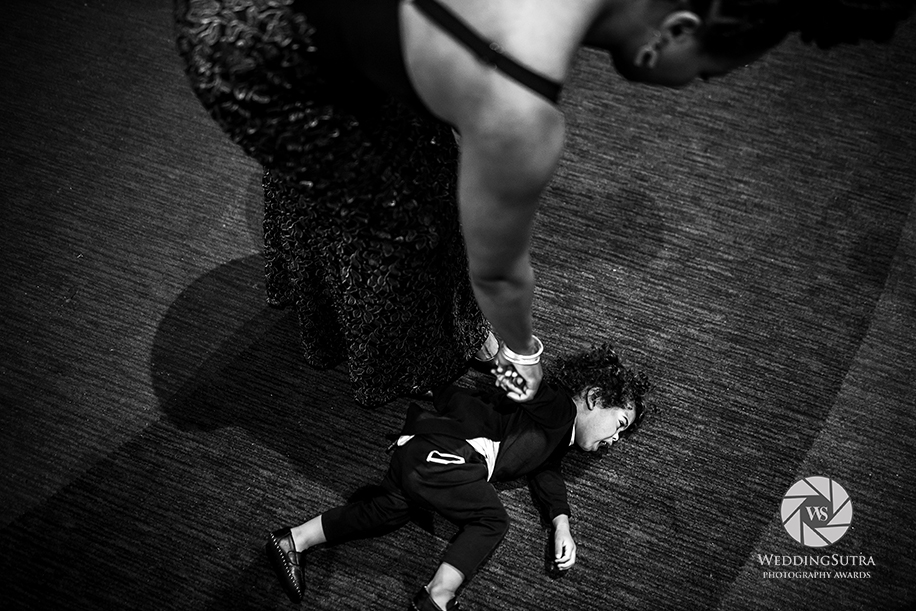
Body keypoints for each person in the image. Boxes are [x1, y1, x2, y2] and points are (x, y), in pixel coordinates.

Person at [174, 0, 914, 407]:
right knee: (402, 218)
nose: (694, 86)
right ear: (677, 30)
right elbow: (499, 275)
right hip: (248, 44)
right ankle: (365, 341)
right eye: (705, 74)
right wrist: (521, 352)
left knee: (426, 142)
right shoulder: (519, 111)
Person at [264, 343, 651, 610]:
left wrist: (560, 522)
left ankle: (293, 539)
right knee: (491, 520)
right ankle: (437, 596)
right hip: (448, 452)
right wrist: (513, 357)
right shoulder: (558, 410)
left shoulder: (557, 439)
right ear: (594, 398)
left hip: (428, 458)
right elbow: (525, 388)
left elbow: (547, 473)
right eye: (618, 424)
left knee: (386, 512)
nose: (614, 440)